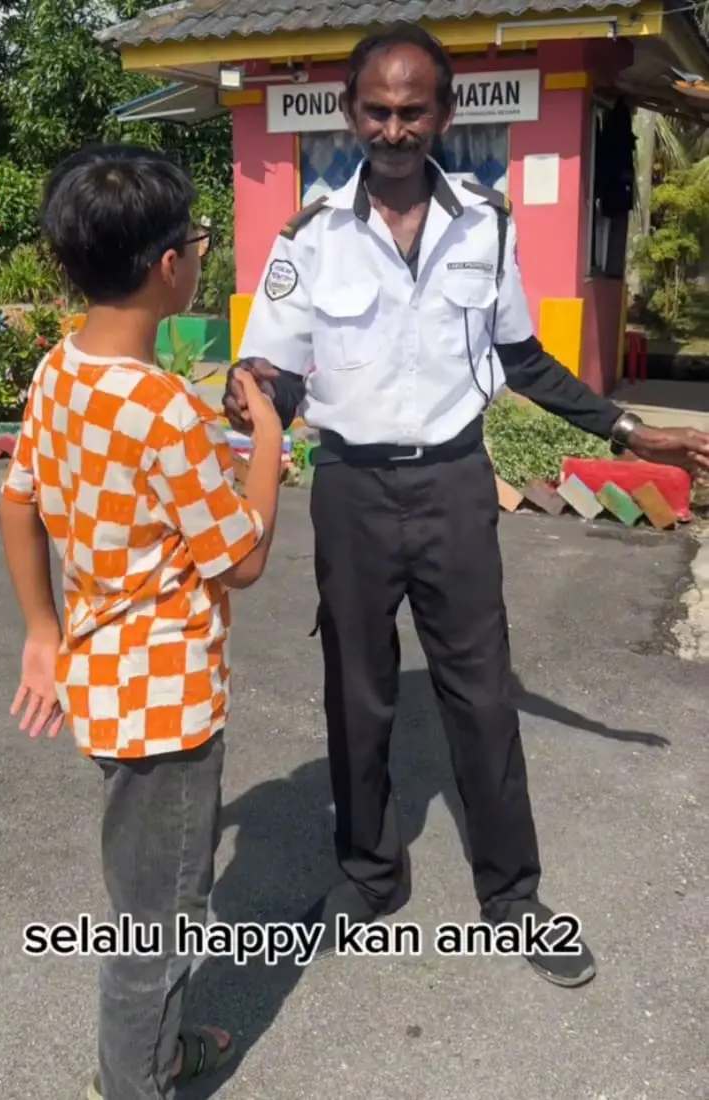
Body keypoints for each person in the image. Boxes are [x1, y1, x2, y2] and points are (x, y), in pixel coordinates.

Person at [224, 26, 709, 988]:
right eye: (376, 109)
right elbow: (272, 372)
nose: (393, 128)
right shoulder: (310, 238)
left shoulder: (485, 226)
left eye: (412, 111)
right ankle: (368, 876)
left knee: (481, 694)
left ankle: (514, 898)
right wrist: (248, 401)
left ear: (444, 115)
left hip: (452, 486)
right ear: (350, 112)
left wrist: (624, 429)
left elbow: (522, 358)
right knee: (357, 694)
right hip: (353, 492)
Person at [0, 143, 284, 1100]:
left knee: (152, 899)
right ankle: (136, 1082)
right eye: (198, 240)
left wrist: (43, 629)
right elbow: (240, 560)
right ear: (170, 267)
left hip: (101, 683)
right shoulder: (165, 412)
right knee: (156, 925)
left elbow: (17, 502)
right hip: (165, 705)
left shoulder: (60, 371)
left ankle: (151, 1055)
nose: (201, 254)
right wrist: (267, 442)